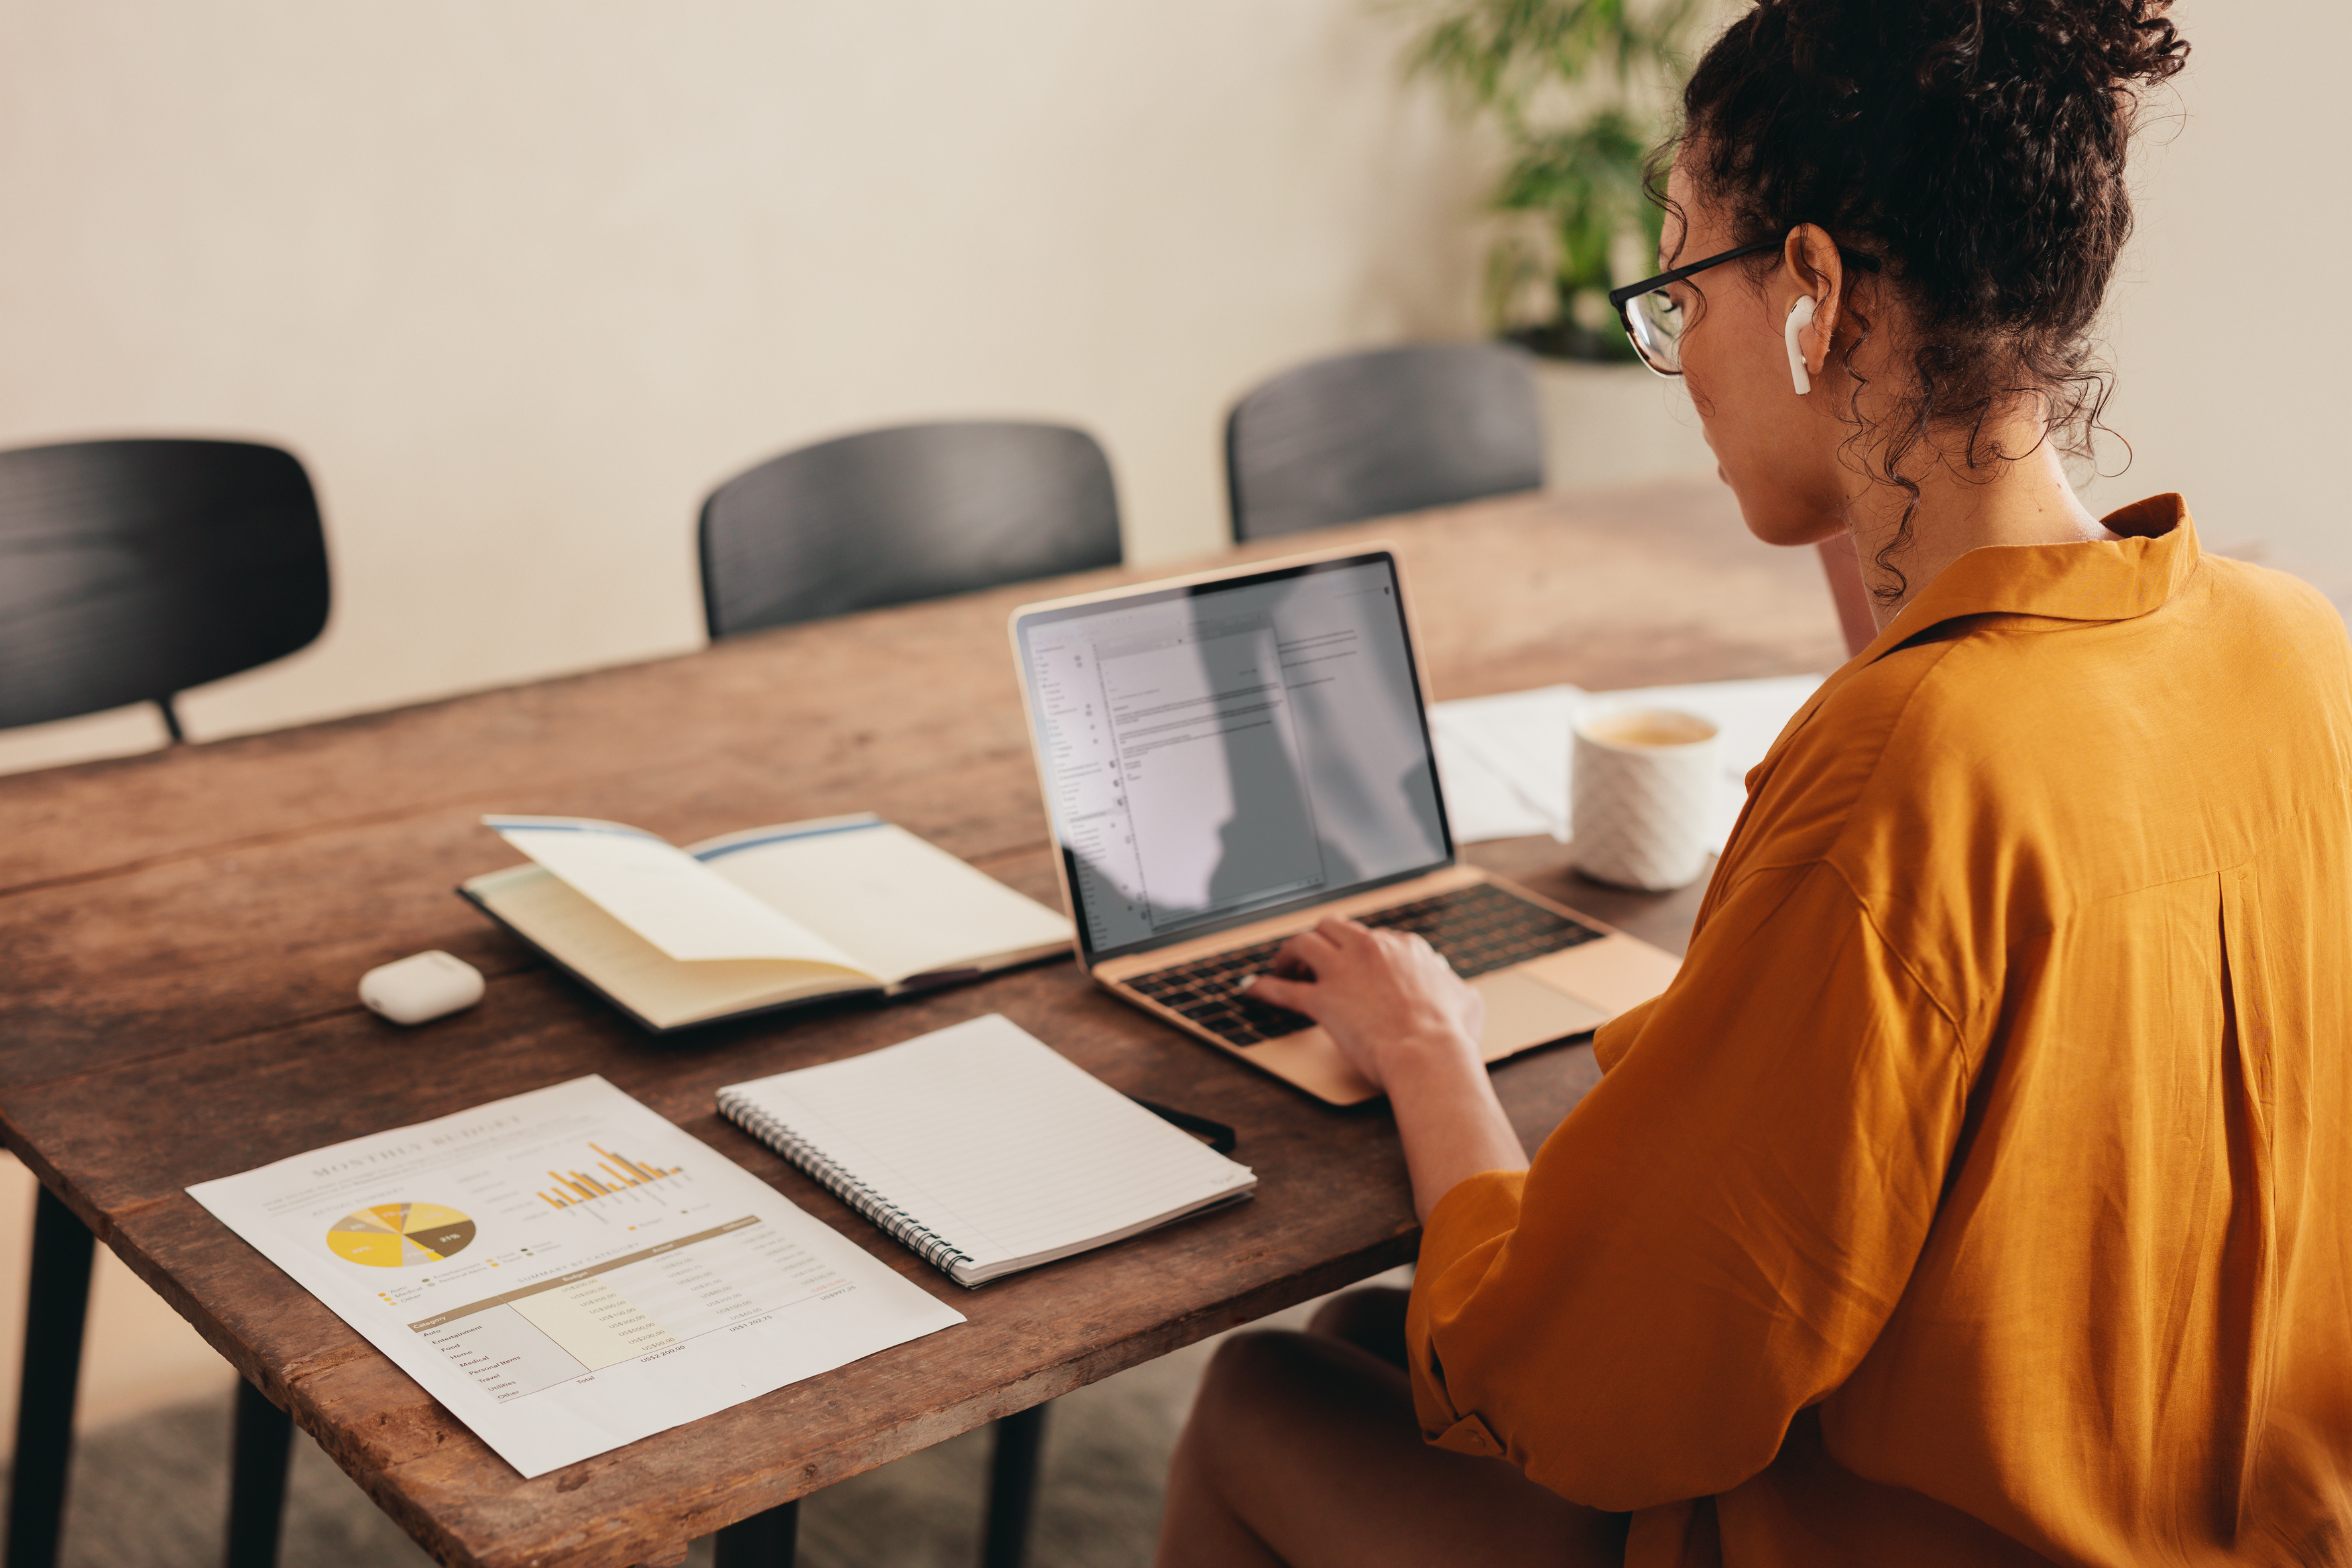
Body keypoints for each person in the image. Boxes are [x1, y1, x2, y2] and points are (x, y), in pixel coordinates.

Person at [1153, 1, 2352, 1564]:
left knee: (1263, 1392)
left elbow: (1598, 1392)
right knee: (1375, 1338)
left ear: (1811, 295)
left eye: (1678, 290)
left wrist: (1431, 1054)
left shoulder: (1906, 770)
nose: (1675, 363)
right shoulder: (2291, 642)